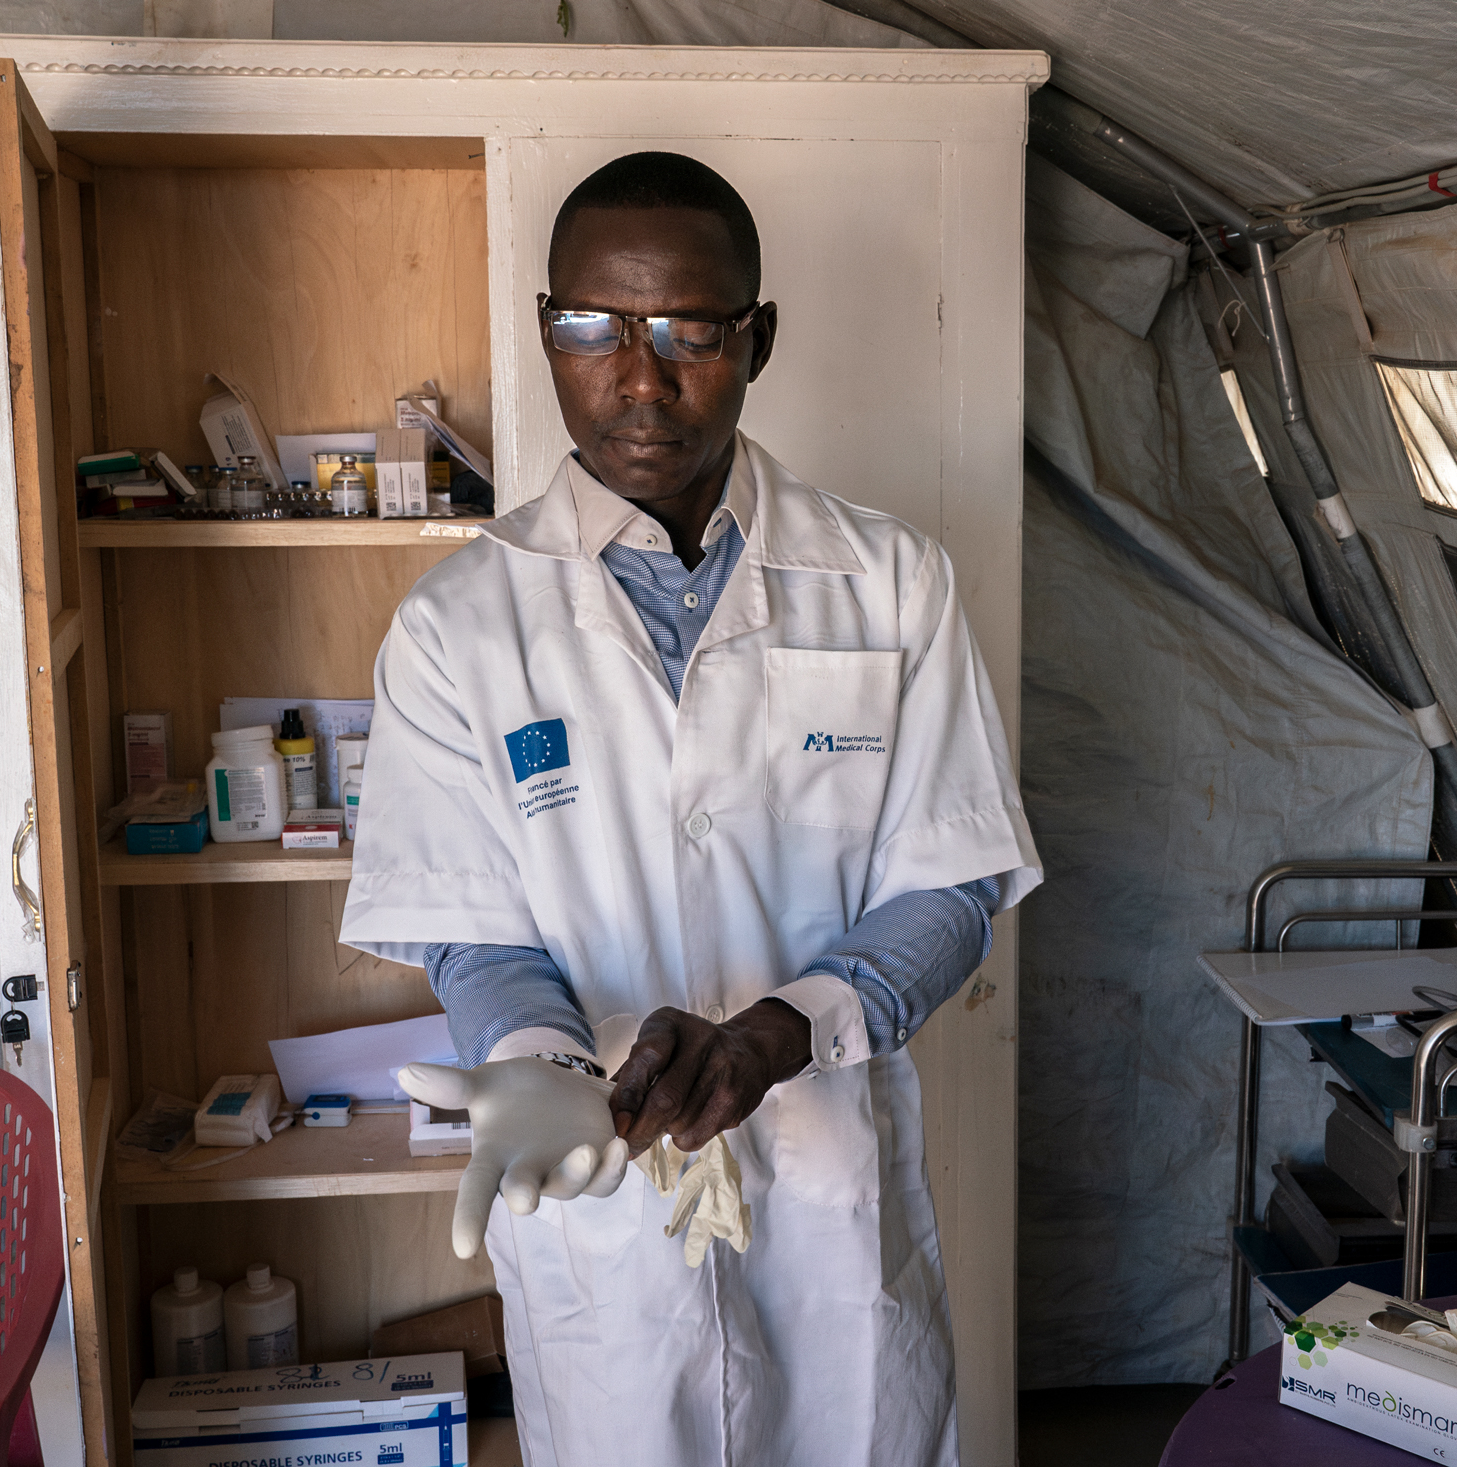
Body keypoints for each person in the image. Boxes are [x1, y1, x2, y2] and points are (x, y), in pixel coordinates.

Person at [341, 151, 1040, 1465]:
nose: (640, 379)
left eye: (689, 333)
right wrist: (546, 1071)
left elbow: (951, 883)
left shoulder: (889, 583)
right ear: (547, 328)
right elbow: (469, 924)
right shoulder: (458, 625)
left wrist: (789, 1031)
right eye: (593, 330)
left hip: (827, 1185)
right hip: (600, 1215)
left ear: (756, 338)